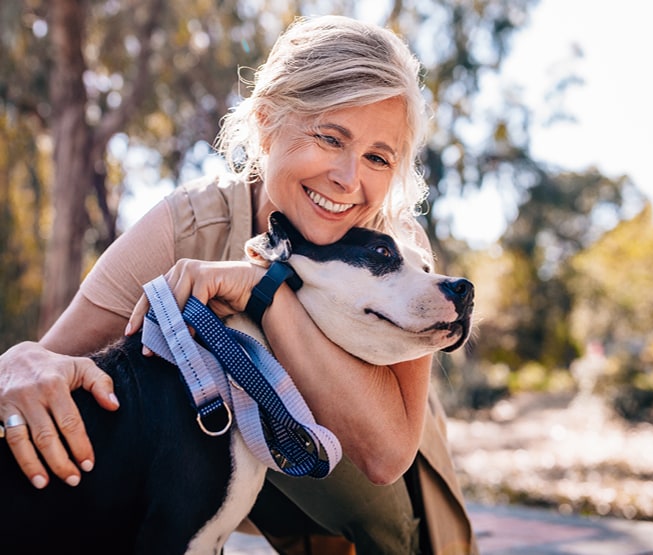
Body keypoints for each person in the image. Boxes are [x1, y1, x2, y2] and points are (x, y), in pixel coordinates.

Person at [0, 15, 477, 555]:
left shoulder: (400, 250)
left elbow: (385, 457)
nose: (348, 178)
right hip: (218, 467)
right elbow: (50, 362)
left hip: (375, 501)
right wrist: (16, 363)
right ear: (268, 121)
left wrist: (262, 290)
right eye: (329, 137)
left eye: (377, 157)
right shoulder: (191, 225)